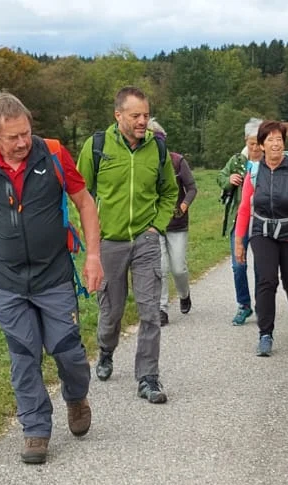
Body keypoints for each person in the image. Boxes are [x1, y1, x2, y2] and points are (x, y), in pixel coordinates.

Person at [0, 92, 105, 465]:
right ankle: (35, 429)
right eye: (13, 137)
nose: (23, 142)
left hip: (53, 276)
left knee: (67, 350)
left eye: (26, 133)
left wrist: (94, 256)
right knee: (23, 355)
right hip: (8, 281)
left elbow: (84, 202)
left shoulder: (52, 154)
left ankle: (75, 396)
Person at [78, 86, 179, 404]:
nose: (142, 121)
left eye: (146, 115)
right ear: (118, 115)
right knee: (112, 312)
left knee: (151, 311)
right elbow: (80, 195)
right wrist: (93, 237)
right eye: (136, 115)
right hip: (109, 242)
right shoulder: (96, 147)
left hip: (146, 241)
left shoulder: (157, 149)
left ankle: (148, 377)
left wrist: (156, 226)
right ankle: (106, 350)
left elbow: (169, 192)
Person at [232, 120, 288, 356]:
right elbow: (244, 209)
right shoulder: (253, 172)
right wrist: (239, 241)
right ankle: (265, 334)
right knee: (266, 280)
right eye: (269, 140)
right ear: (260, 145)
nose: (275, 144)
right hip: (263, 232)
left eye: (278, 140)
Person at [147, 119, 196, 326]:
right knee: (161, 268)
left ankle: (184, 294)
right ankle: (162, 309)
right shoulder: (144, 165)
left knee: (178, 268)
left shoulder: (176, 161)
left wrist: (183, 205)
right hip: (153, 224)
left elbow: (192, 188)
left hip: (177, 224)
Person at [219, 118, 264, 326]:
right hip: (240, 220)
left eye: (257, 143)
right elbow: (221, 177)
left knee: (262, 267)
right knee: (239, 265)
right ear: (245, 141)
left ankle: (262, 305)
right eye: (250, 143)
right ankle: (244, 305)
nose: (254, 147)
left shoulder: (270, 161)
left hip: (264, 221)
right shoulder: (237, 160)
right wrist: (228, 181)